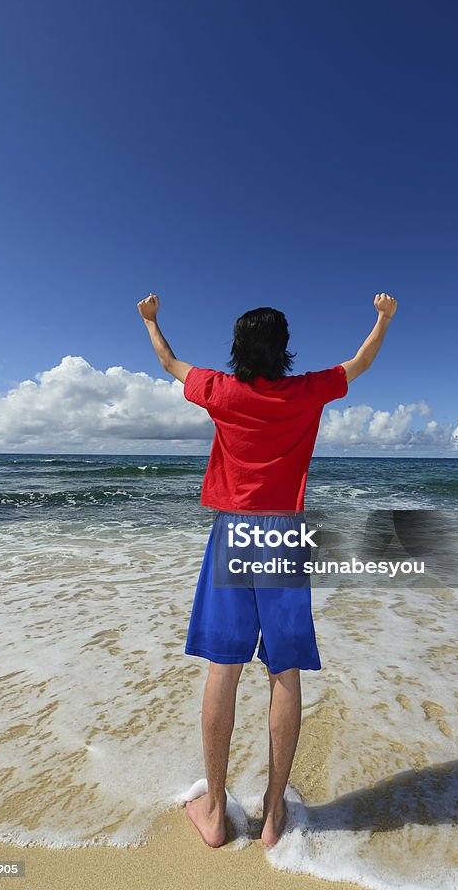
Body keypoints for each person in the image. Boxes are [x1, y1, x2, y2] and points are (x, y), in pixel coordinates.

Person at [137, 291, 398, 849]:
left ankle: (213, 813)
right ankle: (274, 815)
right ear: (284, 349)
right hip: (284, 532)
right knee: (284, 672)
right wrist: (381, 319)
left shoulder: (220, 390)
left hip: (234, 530)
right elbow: (361, 362)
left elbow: (167, 360)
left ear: (237, 349)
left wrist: (152, 322)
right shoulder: (305, 392)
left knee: (223, 670)